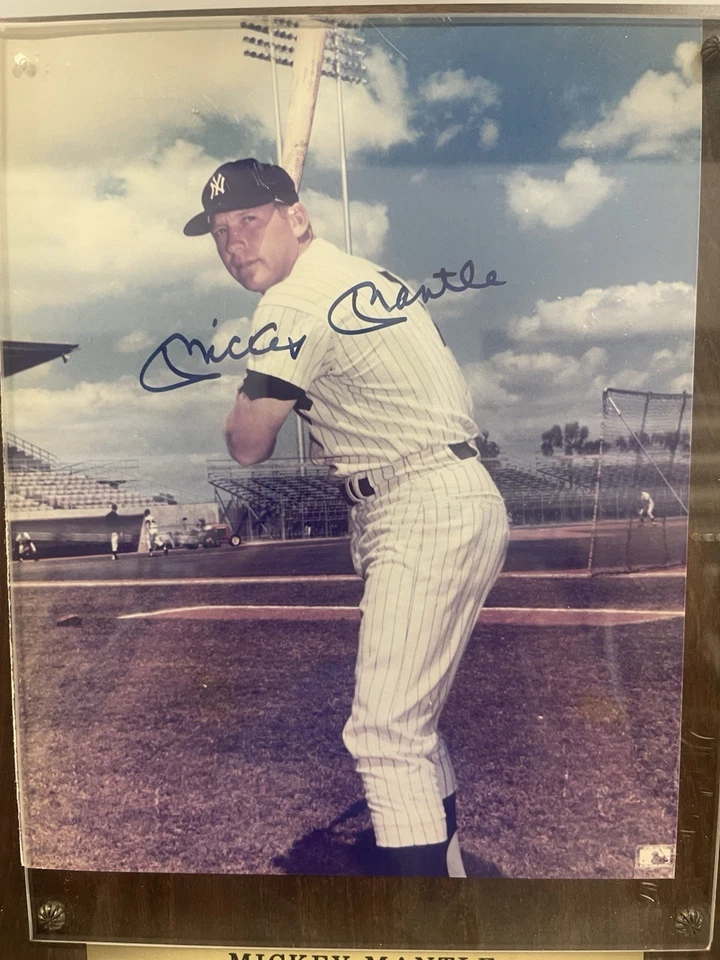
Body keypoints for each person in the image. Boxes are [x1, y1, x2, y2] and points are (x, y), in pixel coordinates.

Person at [184, 158, 509, 877]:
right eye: (219, 232)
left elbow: (246, 444)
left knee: (385, 735)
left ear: (297, 217)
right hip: (450, 491)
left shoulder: (293, 303)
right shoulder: (369, 276)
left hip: (418, 500)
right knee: (408, 725)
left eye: (250, 221)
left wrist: (249, 381)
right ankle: (448, 878)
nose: (235, 244)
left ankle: (424, 937)